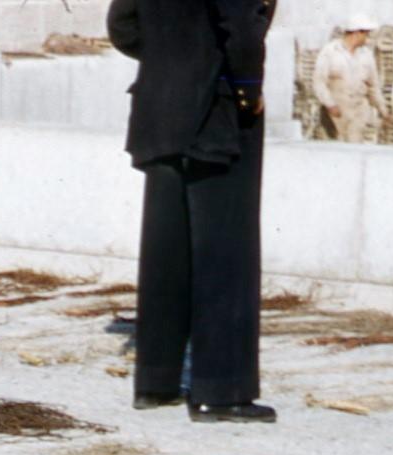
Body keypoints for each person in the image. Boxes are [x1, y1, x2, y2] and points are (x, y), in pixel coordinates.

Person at [107, 0, 276, 423]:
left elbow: (122, 25)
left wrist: (174, 61)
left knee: (166, 256)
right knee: (225, 257)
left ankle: (155, 382)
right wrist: (247, 90)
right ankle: (220, 391)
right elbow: (243, 27)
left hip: (159, 108)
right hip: (215, 111)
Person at [313, 15, 387, 142]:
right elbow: (319, 82)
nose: (367, 38)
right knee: (335, 146)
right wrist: (330, 104)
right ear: (357, 33)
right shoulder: (330, 52)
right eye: (365, 34)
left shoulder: (366, 55)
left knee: (354, 147)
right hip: (336, 112)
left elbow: (373, 87)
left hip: (357, 112)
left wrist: (383, 110)